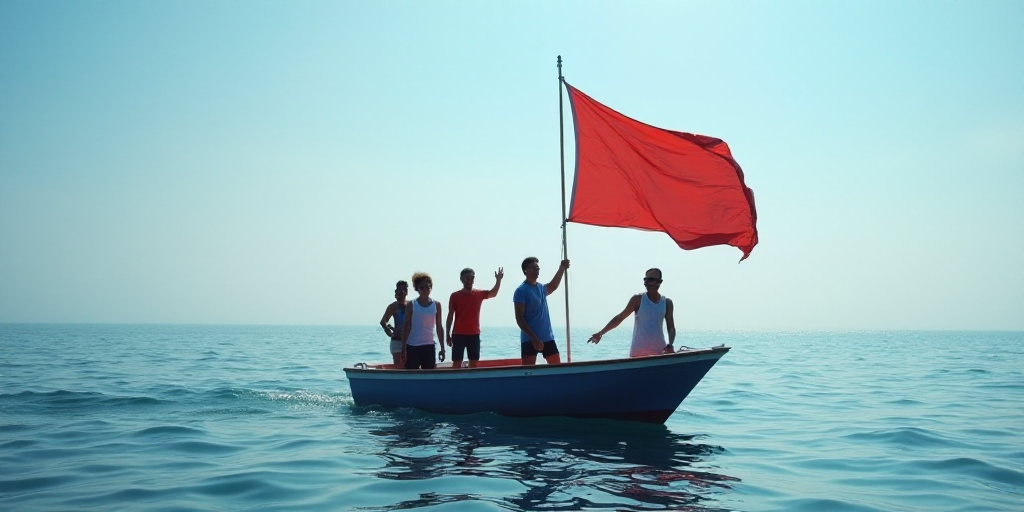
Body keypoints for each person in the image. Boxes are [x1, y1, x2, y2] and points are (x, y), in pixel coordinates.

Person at [587, 268, 676, 357]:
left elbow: (671, 327)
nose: (647, 282)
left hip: (659, 353)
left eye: (650, 279)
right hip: (638, 354)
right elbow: (620, 318)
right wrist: (600, 333)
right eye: (645, 279)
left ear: (659, 282)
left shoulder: (667, 303)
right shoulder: (638, 299)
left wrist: (670, 345)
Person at [513, 257, 569, 365]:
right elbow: (519, 318)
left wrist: (562, 268)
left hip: (546, 337)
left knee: (557, 368)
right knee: (528, 372)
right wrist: (533, 338)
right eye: (534, 268)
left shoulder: (541, 288)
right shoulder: (521, 291)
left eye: (538, 268)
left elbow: (553, 286)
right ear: (526, 270)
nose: (537, 270)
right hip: (529, 339)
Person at [446, 267, 504, 368]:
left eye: (472, 277)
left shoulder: (479, 294)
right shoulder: (455, 296)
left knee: (473, 362)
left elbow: (493, 293)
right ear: (461, 279)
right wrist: (447, 334)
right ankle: (456, 383)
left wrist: (498, 281)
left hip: (474, 334)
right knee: (456, 362)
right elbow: (450, 315)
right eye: (467, 277)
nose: (469, 280)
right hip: (458, 334)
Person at [402, 272, 445, 369]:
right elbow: (406, 326)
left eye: (427, 287)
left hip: (429, 346)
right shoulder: (412, 304)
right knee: (411, 375)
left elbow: (439, 327)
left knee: (429, 375)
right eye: (422, 287)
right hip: (413, 346)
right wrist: (404, 348)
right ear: (417, 289)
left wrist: (442, 348)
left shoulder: (436, 304)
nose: (425, 290)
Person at [378, 280, 409, 366]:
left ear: (406, 292)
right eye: (397, 290)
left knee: (410, 365)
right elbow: (383, 321)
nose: (399, 293)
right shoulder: (393, 306)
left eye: (401, 290)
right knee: (399, 366)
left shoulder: (411, 305)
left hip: (410, 341)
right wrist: (387, 328)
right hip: (397, 341)